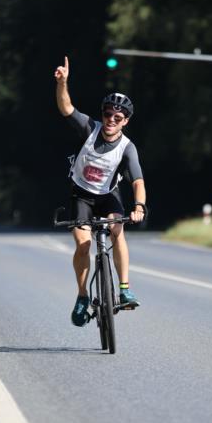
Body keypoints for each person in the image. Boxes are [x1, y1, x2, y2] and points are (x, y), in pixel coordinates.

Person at [53, 55, 147, 326]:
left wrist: (139, 207)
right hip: (81, 195)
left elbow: (138, 181)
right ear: (102, 114)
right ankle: (83, 296)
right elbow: (66, 107)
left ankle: (124, 289)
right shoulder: (89, 128)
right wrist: (62, 83)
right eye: (108, 114)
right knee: (83, 244)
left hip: (108, 196)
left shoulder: (127, 148)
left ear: (125, 121)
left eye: (118, 117)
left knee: (117, 230)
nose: (111, 120)